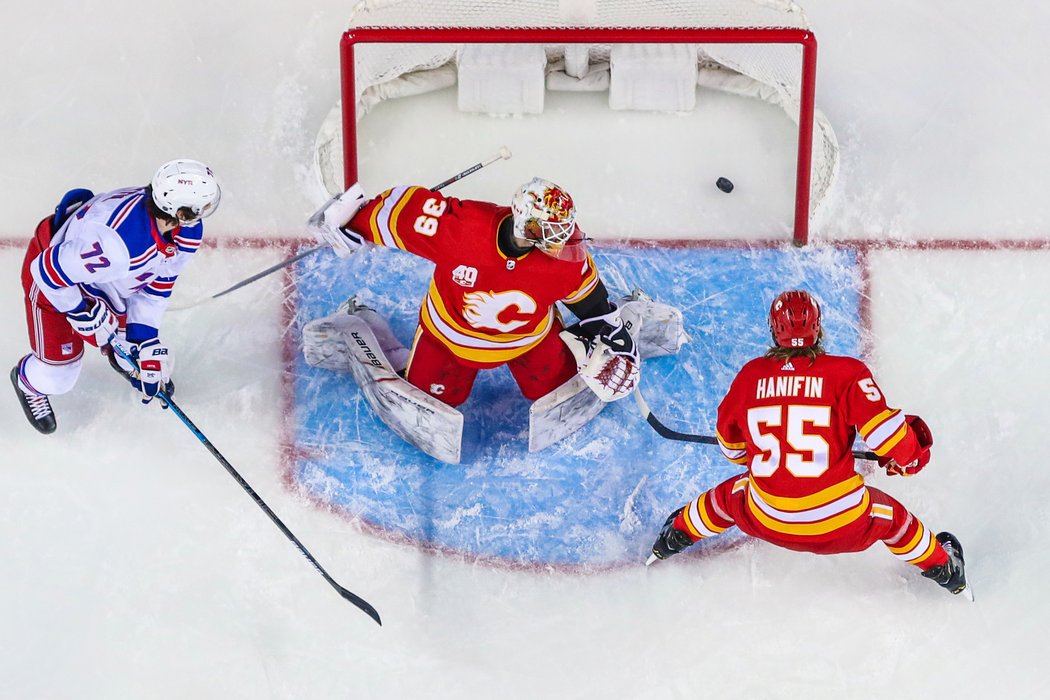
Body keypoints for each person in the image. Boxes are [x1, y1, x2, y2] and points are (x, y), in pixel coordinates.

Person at [648, 289, 970, 599]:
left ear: (774, 333)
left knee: (729, 497)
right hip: (843, 524)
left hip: (767, 520)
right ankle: (945, 568)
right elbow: (894, 443)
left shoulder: (750, 376)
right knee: (895, 520)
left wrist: (768, 455)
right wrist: (910, 454)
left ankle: (674, 536)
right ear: (818, 329)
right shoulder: (847, 373)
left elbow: (733, 451)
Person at [309, 177, 640, 408]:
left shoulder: (564, 256)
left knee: (555, 387)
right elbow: (405, 216)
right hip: (449, 339)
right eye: (551, 231)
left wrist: (612, 332)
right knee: (433, 398)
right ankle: (371, 329)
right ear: (526, 224)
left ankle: (573, 349)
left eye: (563, 229)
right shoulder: (463, 229)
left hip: (529, 341)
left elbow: (589, 300)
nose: (562, 240)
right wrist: (354, 219)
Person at [11, 159, 221, 434]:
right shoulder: (117, 245)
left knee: (138, 353)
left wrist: (144, 338)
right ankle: (27, 381)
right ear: (178, 211)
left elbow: (157, 285)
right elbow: (46, 270)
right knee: (59, 378)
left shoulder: (186, 231)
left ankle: (125, 357)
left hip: (101, 283)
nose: (204, 212)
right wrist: (77, 309)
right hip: (54, 281)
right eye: (200, 207)